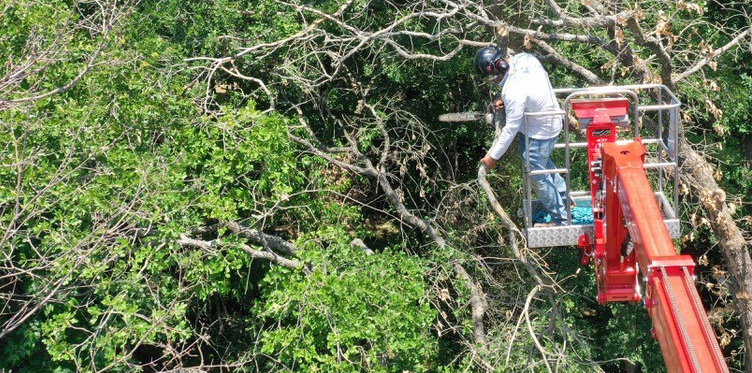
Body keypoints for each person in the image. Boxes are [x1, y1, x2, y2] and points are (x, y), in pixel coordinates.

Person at [475, 46, 569, 225]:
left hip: (539, 133)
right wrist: (507, 101)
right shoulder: (526, 59)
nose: (492, 80)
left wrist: (492, 158)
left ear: (497, 69)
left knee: (535, 173)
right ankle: (565, 200)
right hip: (552, 123)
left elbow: (510, 128)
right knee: (544, 166)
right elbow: (530, 90)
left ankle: (561, 219)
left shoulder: (512, 91)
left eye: (491, 76)